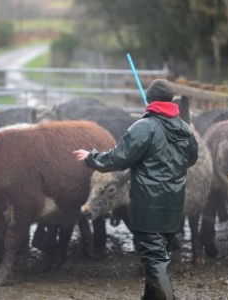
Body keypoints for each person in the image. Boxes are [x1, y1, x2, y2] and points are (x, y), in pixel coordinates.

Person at [73, 79, 198, 300]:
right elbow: (191, 159)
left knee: (155, 260)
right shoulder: (184, 128)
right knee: (159, 257)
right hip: (174, 204)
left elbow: (118, 159)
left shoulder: (144, 127)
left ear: (149, 100)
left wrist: (91, 158)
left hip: (148, 205)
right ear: (170, 100)